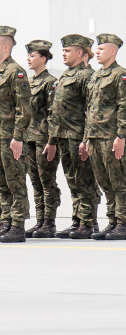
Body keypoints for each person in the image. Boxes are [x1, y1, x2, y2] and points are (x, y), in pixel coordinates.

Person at [44, 34, 98, 239]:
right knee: (73, 181)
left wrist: (86, 139)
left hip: (78, 136)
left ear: (82, 53)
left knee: (85, 181)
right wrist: (52, 140)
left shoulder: (86, 76)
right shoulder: (66, 75)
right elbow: (56, 113)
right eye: (64, 50)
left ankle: (88, 222)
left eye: (68, 51)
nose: (64, 54)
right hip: (64, 137)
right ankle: (78, 221)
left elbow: (90, 110)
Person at [0, 26, 31, 243]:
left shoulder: (16, 71)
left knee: (14, 181)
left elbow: (24, 108)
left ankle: (17, 224)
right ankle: (5, 219)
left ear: (6, 46)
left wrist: (18, 137)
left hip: (9, 137)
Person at [82, 33, 126, 240]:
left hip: (111, 136)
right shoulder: (95, 76)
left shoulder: (120, 75)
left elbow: (124, 106)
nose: (96, 52)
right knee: (105, 181)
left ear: (113, 51)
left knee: (119, 181)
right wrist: (85, 139)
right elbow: (89, 110)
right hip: (95, 136)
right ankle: (112, 221)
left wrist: (121, 136)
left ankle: (123, 222)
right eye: (96, 49)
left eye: (101, 49)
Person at [24, 40, 59, 238]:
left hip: (44, 138)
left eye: (33, 56)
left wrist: (52, 141)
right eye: (29, 55)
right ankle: (39, 221)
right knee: (35, 181)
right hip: (29, 137)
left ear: (43, 59)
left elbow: (54, 114)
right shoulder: (28, 82)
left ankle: (50, 222)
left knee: (47, 181)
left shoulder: (50, 82)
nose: (29, 59)